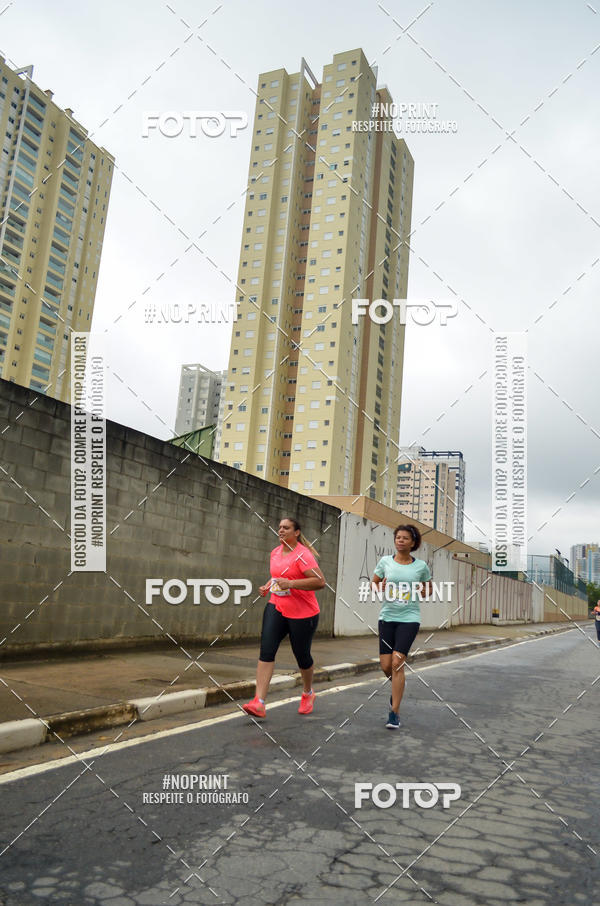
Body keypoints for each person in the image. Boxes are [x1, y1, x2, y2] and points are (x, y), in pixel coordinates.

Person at [242, 517, 326, 719]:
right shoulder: (275, 552)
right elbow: (278, 576)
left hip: (303, 612)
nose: (280, 530)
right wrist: (268, 585)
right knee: (267, 650)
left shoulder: (303, 555)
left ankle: (308, 693)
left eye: (286, 528)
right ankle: (259, 702)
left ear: (296, 532)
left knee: (302, 655)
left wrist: (291, 584)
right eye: (279, 527)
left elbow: (320, 581)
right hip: (276, 607)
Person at [372, 524, 432, 729]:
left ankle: (394, 712)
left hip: (409, 618)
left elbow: (429, 589)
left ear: (413, 543)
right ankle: (399, 688)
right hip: (387, 617)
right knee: (386, 666)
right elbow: (374, 583)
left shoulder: (421, 566)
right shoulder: (385, 562)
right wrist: (380, 587)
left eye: (405, 538)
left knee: (397, 662)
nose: (401, 541)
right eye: (398, 537)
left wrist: (422, 592)